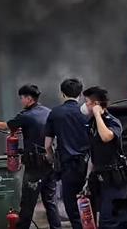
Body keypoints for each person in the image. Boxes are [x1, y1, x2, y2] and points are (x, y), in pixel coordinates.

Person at [0, 84, 62, 229]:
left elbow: (6, 126)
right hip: (50, 163)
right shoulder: (48, 112)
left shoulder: (26, 116)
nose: (21, 101)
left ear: (29, 99)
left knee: (27, 204)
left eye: (22, 98)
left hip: (35, 166)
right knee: (50, 202)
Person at [81, 86, 127, 229]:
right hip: (101, 178)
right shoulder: (91, 124)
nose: (85, 106)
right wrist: (87, 178)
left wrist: (98, 115)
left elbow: (106, 137)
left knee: (107, 221)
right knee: (123, 220)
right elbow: (93, 153)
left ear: (96, 105)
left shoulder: (112, 121)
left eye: (88, 102)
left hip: (116, 179)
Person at [44, 78, 91, 229]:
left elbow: (48, 145)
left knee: (72, 207)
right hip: (89, 166)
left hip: (68, 167)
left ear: (62, 94)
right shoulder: (87, 112)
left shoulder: (55, 113)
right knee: (90, 205)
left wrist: (51, 159)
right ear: (80, 94)